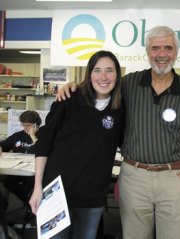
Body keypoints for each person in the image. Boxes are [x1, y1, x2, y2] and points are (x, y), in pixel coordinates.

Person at [56, 26, 180, 239]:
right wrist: (72, 86)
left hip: (174, 176)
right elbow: (100, 84)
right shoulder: (129, 83)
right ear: (147, 52)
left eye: (168, 48)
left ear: (176, 52)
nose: (161, 54)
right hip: (134, 176)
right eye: (155, 48)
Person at [29, 50, 125, 239]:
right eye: (97, 70)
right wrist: (37, 186)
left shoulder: (121, 109)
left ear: (117, 75)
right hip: (56, 192)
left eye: (109, 70)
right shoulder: (68, 99)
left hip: (93, 196)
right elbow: (44, 143)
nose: (103, 77)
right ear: (89, 74)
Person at [0, 110, 41, 205]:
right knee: (7, 181)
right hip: (19, 169)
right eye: (23, 125)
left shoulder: (43, 136)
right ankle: (27, 202)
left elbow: (41, 149)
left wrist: (33, 135)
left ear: (36, 124)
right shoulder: (17, 136)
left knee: (31, 184)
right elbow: (3, 145)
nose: (25, 128)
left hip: (35, 171)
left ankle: (31, 202)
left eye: (28, 125)